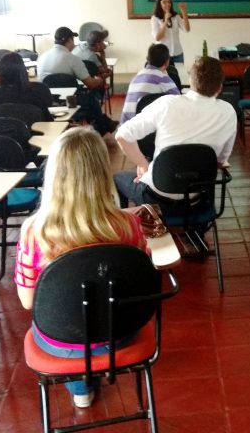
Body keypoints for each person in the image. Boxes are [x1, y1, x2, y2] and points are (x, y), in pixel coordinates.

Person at [14, 127, 147, 409]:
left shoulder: (33, 231)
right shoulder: (130, 225)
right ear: (102, 172)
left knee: (64, 316)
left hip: (61, 341)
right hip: (122, 332)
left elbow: (27, 302)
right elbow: (142, 283)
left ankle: (80, 388)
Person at [114, 56, 237, 205]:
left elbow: (122, 135)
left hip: (157, 196)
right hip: (198, 197)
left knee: (119, 178)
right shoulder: (229, 111)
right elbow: (220, 161)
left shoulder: (167, 104)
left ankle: (136, 223)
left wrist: (141, 164)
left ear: (191, 82)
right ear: (220, 87)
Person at [37, 26, 117, 135]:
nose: (74, 44)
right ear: (69, 40)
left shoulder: (41, 57)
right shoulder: (72, 59)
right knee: (92, 101)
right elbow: (91, 83)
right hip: (71, 103)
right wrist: (100, 79)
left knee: (89, 101)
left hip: (48, 104)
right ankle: (101, 130)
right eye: (72, 41)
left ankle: (101, 124)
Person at [121, 44, 181, 123]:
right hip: (146, 129)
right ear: (167, 62)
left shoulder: (137, 77)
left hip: (126, 127)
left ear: (148, 60)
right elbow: (179, 101)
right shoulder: (163, 78)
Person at [0, 53, 54, 121]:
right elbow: (48, 121)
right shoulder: (35, 95)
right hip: (35, 132)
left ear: (1, 72)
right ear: (23, 71)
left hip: (1, 132)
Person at [151, 0, 190, 64]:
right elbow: (157, 38)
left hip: (177, 53)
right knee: (163, 75)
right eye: (164, 2)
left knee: (178, 74)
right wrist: (165, 21)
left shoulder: (175, 16)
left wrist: (184, 12)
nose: (167, 4)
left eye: (169, 2)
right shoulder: (155, 18)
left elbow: (187, 29)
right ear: (159, 4)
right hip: (162, 55)